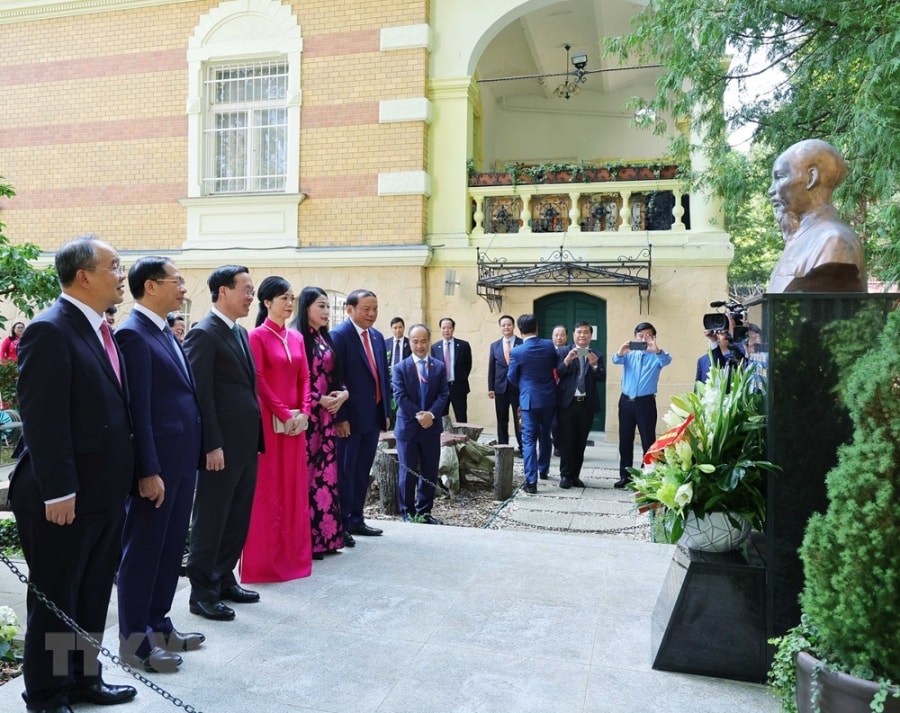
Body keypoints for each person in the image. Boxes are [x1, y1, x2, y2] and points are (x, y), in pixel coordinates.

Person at [9, 236, 138, 711]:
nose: (122, 275)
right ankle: (47, 693)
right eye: (114, 266)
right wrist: (60, 489)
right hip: (62, 495)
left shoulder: (100, 329)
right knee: (56, 598)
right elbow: (43, 419)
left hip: (102, 491)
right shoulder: (50, 329)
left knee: (90, 592)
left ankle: (84, 677)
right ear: (83, 276)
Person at [114, 257, 204, 673]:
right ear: (151, 286)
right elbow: (140, 411)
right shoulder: (133, 335)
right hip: (158, 466)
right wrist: (147, 470)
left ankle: (159, 625)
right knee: (144, 551)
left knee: (169, 549)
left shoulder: (163, 330)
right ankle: (135, 642)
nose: (183, 288)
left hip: (181, 460)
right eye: (177, 281)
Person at [182, 265, 264, 622]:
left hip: (245, 444)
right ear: (223, 292)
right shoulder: (204, 333)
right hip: (220, 448)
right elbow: (201, 396)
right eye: (246, 289)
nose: (251, 296)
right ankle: (201, 592)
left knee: (236, 517)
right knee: (212, 519)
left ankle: (223, 577)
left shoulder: (240, 333)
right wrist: (210, 445)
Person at [243, 276, 313, 581]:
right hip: (270, 426)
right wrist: (284, 413)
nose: (289, 303)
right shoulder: (256, 336)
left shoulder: (296, 337)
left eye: (291, 298)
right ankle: (266, 562)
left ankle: (293, 558)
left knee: (294, 488)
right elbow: (258, 379)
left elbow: (305, 378)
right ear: (267, 302)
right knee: (269, 489)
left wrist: (305, 412)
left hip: (296, 425)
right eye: (283, 298)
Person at [767, 139, 866, 293]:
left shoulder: (833, 240)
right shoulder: (803, 237)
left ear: (811, 178)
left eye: (780, 177)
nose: (771, 190)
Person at [331, 289, 390, 545]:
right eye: (366, 309)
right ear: (350, 309)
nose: (371, 314)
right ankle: (341, 523)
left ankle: (357, 518)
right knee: (346, 471)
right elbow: (335, 379)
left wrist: (386, 412)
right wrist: (340, 417)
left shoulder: (377, 337)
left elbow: (382, 377)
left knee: (362, 471)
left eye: (375, 308)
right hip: (350, 419)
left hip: (373, 416)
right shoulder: (339, 336)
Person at [293, 287, 349, 558]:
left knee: (326, 477)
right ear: (306, 309)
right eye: (321, 306)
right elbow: (293, 382)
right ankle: (306, 541)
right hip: (308, 418)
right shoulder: (297, 339)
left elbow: (337, 376)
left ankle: (326, 539)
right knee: (306, 477)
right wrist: (318, 399)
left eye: (328, 306)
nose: (327, 312)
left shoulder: (325, 339)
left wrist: (343, 393)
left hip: (327, 418)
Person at [392, 323, 449, 523]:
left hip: (431, 428)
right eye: (415, 342)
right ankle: (407, 513)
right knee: (407, 471)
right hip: (408, 427)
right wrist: (419, 415)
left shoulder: (439, 367)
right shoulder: (400, 368)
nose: (419, 346)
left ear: (429, 341)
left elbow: (443, 395)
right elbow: (400, 396)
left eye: (423, 341)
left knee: (430, 470)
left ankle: (424, 512)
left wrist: (431, 415)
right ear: (409, 342)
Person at [611, 322, 672, 489]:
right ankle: (625, 476)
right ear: (635, 337)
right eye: (640, 336)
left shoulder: (658, 356)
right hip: (626, 402)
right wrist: (621, 350)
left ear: (653, 337)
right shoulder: (630, 354)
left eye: (647, 335)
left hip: (645, 403)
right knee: (625, 440)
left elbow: (667, 360)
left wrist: (656, 349)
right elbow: (615, 360)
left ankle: (648, 476)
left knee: (648, 440)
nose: (643, 338)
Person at [508, 314, 558, 494]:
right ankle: (543, 469)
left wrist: (524, 384)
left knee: (528, 440)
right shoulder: (548, 345)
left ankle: (532, 481)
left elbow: (511, 377)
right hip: (549, 397)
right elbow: (555, 365)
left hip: (529, 399)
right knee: (546, 435)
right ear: (537, 328)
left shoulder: (517, 351)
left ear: (520, 331)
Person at [556, 321, 606, 489]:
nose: (582, 335)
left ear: (590, 335)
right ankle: (565, 476)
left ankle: (575, 475)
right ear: (574, 335)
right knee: (566, 441)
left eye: (586, 332)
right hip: (567, 404)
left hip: (586, 404)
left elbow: (601, 378)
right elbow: (558, 373)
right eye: (579, 332)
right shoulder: (564, 351)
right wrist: (567, 361)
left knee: (580, 441)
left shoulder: (597, 354)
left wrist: (594, 365)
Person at [487, 314, 523, 452]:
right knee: (502, 420)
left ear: (513, 326)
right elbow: (492, 368)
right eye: (503, 325)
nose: (506, 327)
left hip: (518, 388)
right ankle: (503, 447)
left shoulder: (522, 343)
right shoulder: (494, 345)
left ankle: (522, 447)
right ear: (500, 327)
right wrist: (490, 387)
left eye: (509, 324)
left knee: (520, 420)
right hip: (500, 388)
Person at [430, 317, 472, 423]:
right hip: (442, 388)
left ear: (453, 329)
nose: (446, 330)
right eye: (444, 328)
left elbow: (468, 365)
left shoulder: (463, 345)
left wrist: (460, 378)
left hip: (458, 387)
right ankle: (442, 438)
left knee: (461, 416)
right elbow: (434, 368)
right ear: (440, 329)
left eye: (449, 328)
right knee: (442, 417)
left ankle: (463, 439)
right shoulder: (435, 347)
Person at [550, 324, 568, 457]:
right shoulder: (547, 351)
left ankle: (565, 445)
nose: (559, 338)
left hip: (567, 391)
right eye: (556, 335)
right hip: (550, 390)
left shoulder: (572, 350)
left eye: (562, 335)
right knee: (554, 422)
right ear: (552, 337)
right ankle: (557, 446)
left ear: (567, 337)